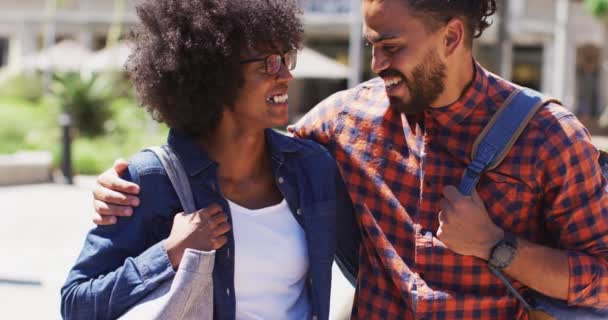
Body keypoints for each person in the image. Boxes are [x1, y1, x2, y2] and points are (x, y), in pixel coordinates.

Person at [91, 0, 608, 319]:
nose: (376, 65)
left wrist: (498, 249)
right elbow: (237, 140)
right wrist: (131, 177)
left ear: (451, 36)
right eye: (370, 46)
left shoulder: (548, 137)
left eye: (391, 47)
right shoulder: (347, 119)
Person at [60, 0, 357, 319]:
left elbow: (369, 270)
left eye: (287, 58)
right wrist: (169, 254)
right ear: (217, 72)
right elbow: (77, 303)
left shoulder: (312, 167)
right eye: (269, 63)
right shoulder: (151, 180)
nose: (286, 75)